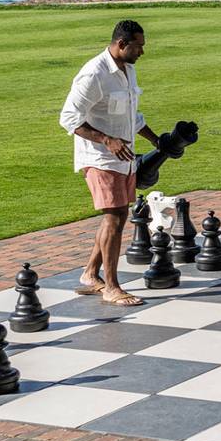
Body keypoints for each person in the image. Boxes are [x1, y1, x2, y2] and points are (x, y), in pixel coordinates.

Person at [59, 20, 162, 306]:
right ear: (122, 44)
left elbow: (132, 115)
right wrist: (107, 140)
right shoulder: (93, 74)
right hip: (100, 157)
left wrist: (155, 140)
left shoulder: (128, 69)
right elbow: (68, 118)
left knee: (115, 216)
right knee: (116, 216)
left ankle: (91, 274)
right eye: (139, 46)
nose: (142, 51)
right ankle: (112, 286)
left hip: (123, 159)